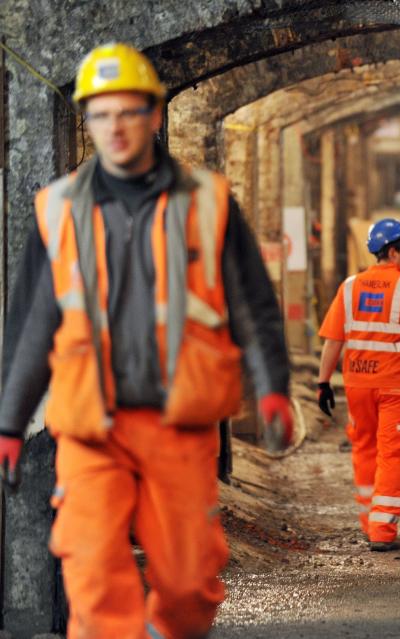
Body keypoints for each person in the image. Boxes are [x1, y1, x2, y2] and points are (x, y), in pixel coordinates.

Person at [0, 43, 292, 638]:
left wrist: (272, 391)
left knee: (190, 584)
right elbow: (31, 322)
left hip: (178, 427)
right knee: (93, 576)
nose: (114, 127)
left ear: (155, 116)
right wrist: (9, 421)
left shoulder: (206, 204)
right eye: (100, 115)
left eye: (127, 112)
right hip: (91, 431)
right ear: (88, 122)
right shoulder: (58, 210)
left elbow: (253, 308)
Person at [316, 218, 400, 551]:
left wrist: (323, 382)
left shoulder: (349, 286)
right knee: (393, 453)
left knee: (365, 448)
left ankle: (369, 521)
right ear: (393, 252)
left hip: (357, 384)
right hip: (396, 386)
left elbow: (333, 340)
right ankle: (382, 530)